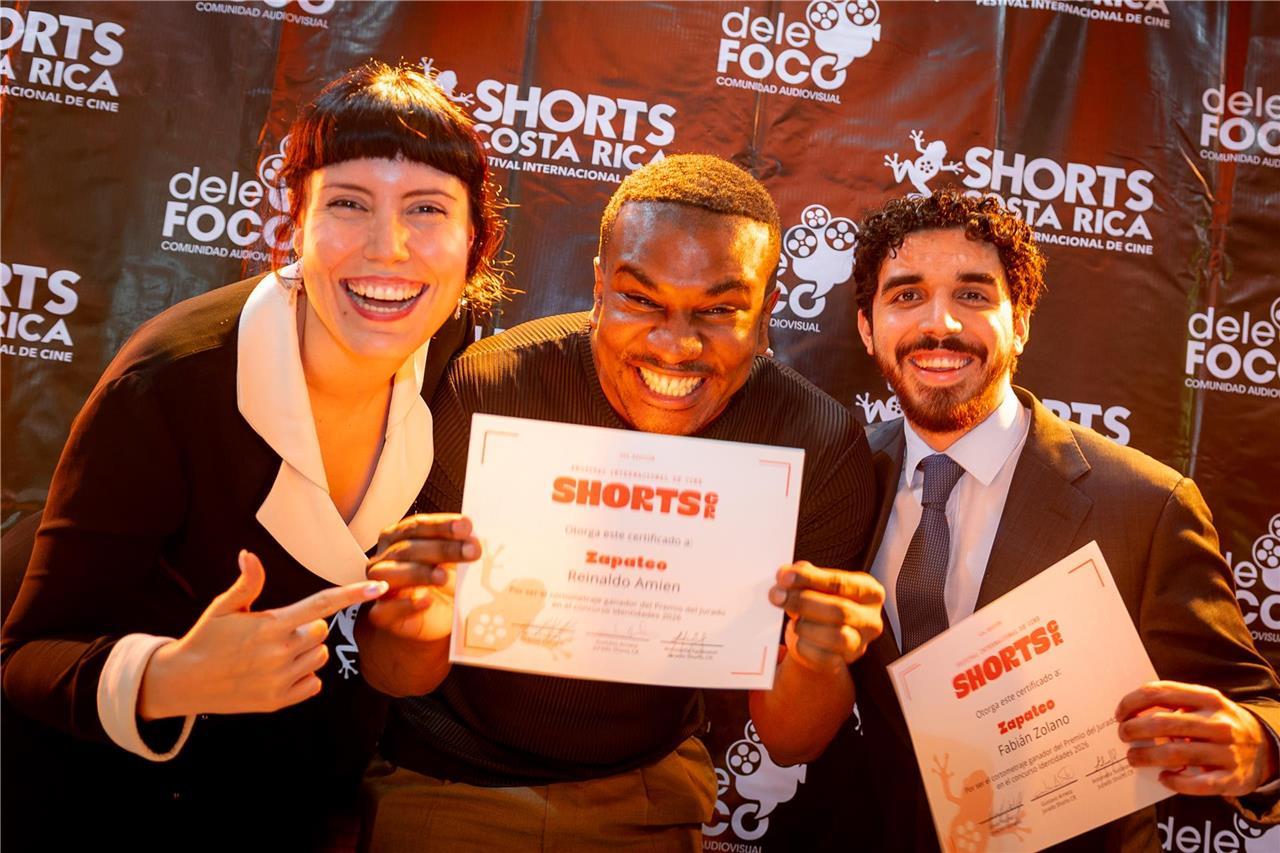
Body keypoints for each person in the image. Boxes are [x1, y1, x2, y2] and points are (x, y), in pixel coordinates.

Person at [0, 61, 505, 848]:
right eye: (348, 203)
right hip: (105, 799)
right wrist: (169, 675)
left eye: (427, 209)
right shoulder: (168, 386)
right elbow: (27, 656)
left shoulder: (451, 351)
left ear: (474, 239)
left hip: (291, 795)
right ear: (295, 222)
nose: (389, 248)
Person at [352, 154, 884, 850]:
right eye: (641, 299)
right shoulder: (491, 388)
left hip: (648, 785)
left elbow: (791, 741)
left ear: (765, 309)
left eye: (720, 309)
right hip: (450, 777)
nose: (676, 346)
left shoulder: (815, 441)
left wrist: (818, 661)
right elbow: (394, 672)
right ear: (599, 285)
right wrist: (413, 624)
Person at [815, 188, 1280, 851]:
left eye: (973, 294)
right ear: (867, 327)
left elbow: (1254, 701)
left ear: (1022, 321)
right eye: (907, 295)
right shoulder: (841, 478)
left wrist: (1259, 747)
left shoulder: (1144, 504)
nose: (940, 323)